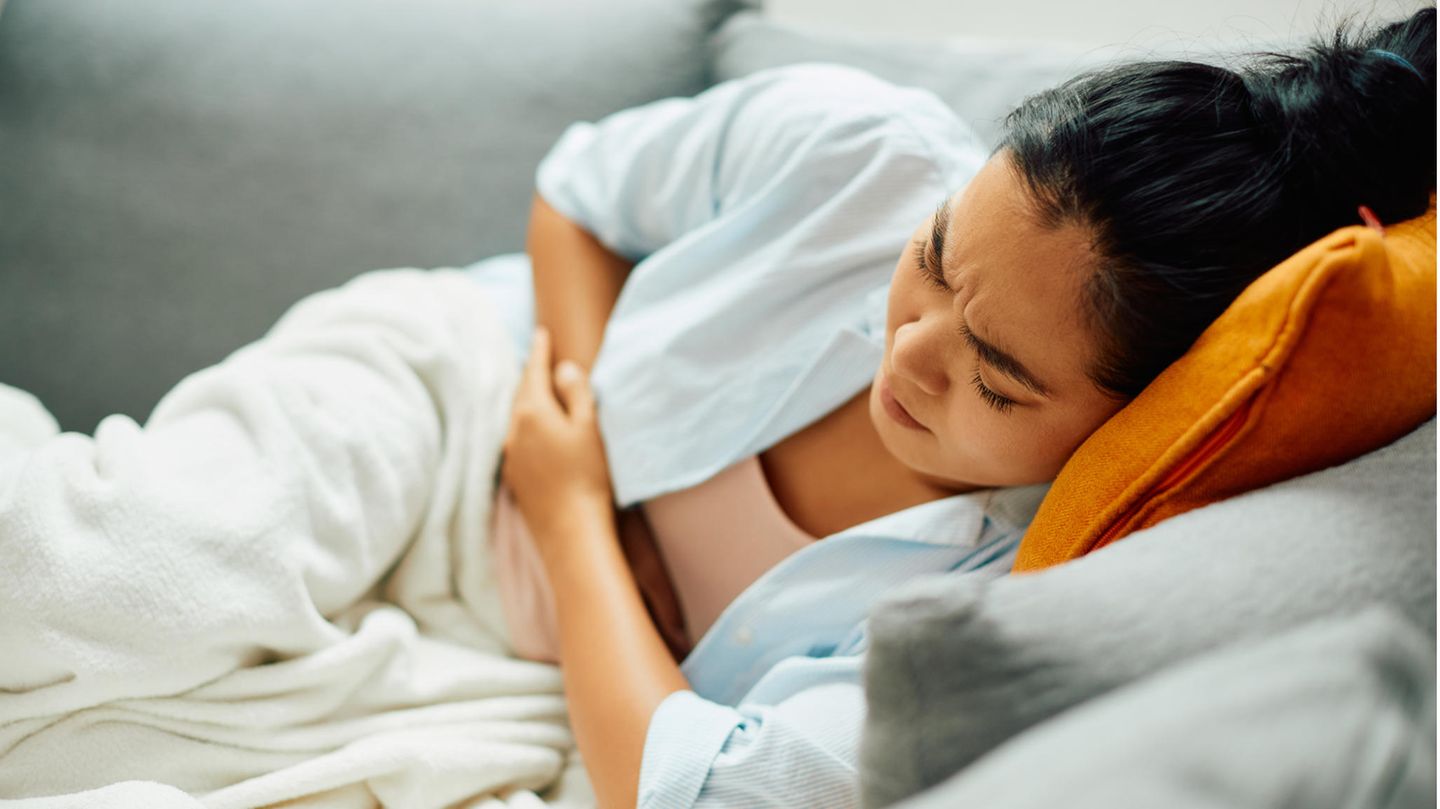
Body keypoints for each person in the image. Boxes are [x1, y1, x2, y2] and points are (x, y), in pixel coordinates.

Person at [474, 8, 1436, 809]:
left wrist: (573, 519)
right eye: (932, 258)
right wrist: (584, 418)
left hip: (511, 589)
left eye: (998, 376)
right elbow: (577, 194)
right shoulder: (859, 151)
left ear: (1133, 414)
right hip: (458, 381)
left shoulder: (995, 595)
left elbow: (691, 789)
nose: (909, 351)